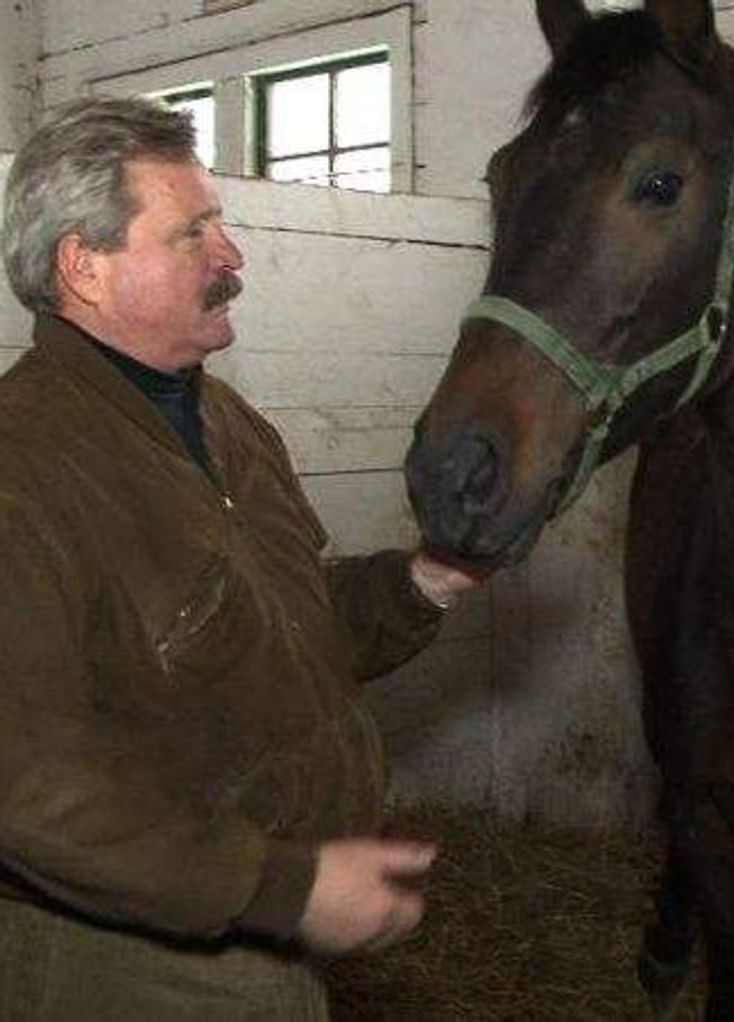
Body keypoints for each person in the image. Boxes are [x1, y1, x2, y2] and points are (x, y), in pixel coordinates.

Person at [0, 95, 479, 1019]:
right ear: (84, 266)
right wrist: (279, 887)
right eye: (193, 232)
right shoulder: (22, 466)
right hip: (120, 967)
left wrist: (426, 582)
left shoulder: (228, 423)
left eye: (220, 223)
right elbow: (23, 780)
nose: (232, 255)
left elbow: (284, 631)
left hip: (264, 942)